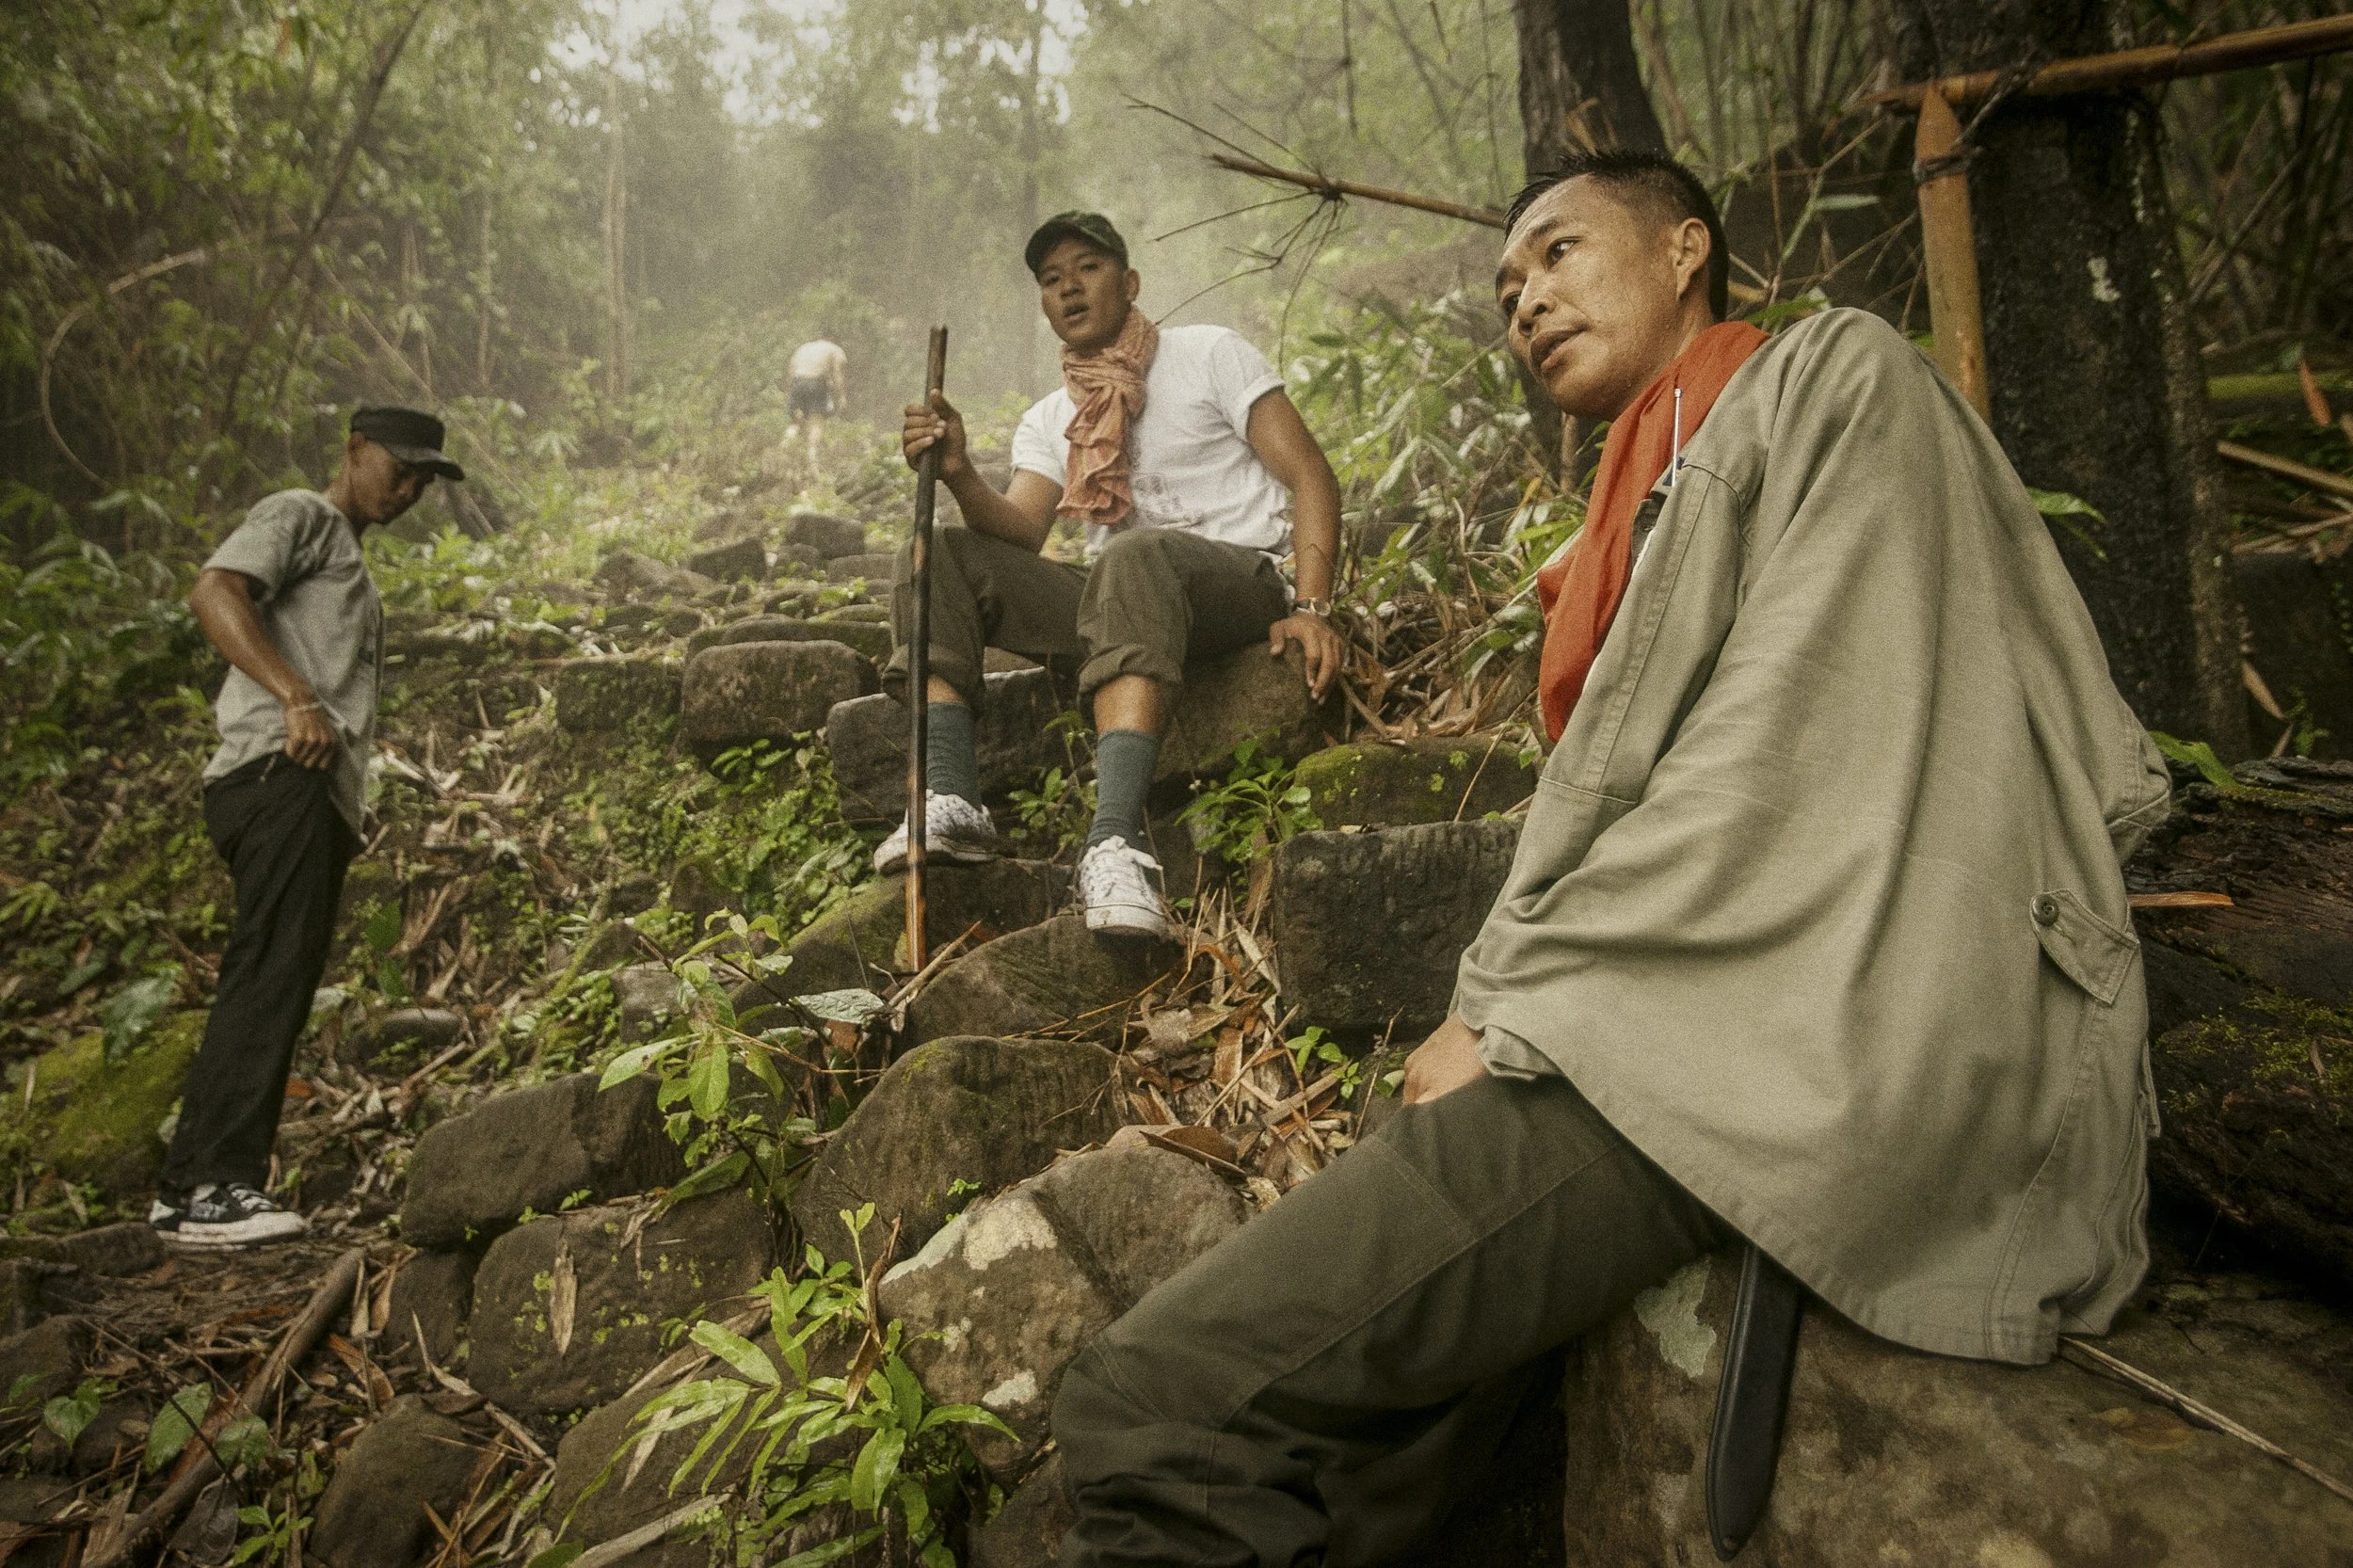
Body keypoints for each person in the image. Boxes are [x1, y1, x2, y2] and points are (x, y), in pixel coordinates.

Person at [1048, 152, 2171, 1564]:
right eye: (1510, 288)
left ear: (1686, 248)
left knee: (1145, 1402)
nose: (1525, 302)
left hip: (1755, 1027)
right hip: (1685, 1012)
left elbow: (1789, 754)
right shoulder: (1644, 494)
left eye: (1561, 255)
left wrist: (1511, 997)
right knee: (1369, 1476)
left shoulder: (1832, 382)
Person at [885, 211, 1344, 939]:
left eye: (1087, 268)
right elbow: (1020, 533)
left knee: (1134, 553)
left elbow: (1310, 473)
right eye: (1050, 279)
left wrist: (1315, 604)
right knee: (943, 555)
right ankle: (952, 796)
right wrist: (960, 473)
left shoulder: (1209, 353)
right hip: (1127, 606)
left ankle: (1116, 845)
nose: (1069, 288)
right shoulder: (1050, 418)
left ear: (1129, 282)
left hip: (1236, 582)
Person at [150, 406, 458, 1248]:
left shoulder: (346, 555)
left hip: (304, 791)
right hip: (276, 775)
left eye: (424, 479)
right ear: (355, 450)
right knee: (269, 970)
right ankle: (209, 1186)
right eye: (399, 468)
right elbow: (214, 590)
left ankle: (199, 1185)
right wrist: (293, 696)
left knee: (274, 972)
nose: (409, 489)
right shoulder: (304, 514)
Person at [787, 337, 849, 460]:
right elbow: (838, 373)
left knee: (795, 422)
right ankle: (812, 459)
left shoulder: (803, 347)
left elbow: (791, 371)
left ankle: (783, 450)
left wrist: (789, 393)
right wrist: (842, 397)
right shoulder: (834, 349)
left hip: (797, 383)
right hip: (816, 382)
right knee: (817, 422)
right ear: (832, 338)